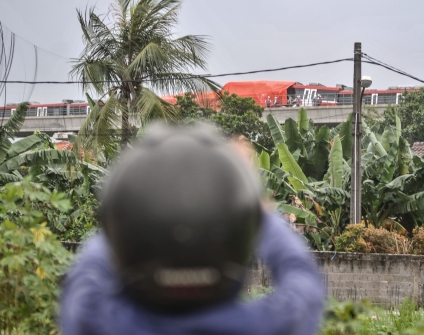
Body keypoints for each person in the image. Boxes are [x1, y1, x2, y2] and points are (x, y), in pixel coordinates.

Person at [60, 124, 324, 335]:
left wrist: (134, 201)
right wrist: (256, 207)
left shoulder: (96, 322)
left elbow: (87, 282)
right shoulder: (265, 327)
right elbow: (303, 285)